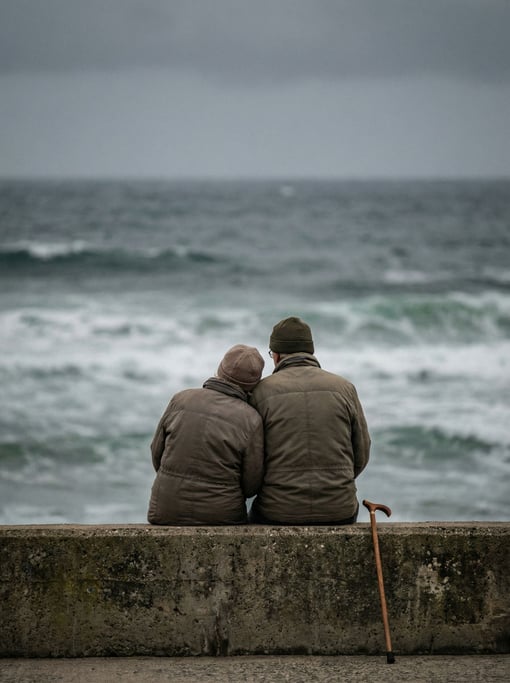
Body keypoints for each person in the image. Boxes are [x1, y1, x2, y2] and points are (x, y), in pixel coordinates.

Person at [249, 316, 370, 525]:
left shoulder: (260, 392)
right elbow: (362, 452)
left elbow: (252, 462)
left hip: (278, 510)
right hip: (339, 509)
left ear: (276, 355)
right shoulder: (344, 388)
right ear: (310, 351)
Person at [148, 344, 265, 525]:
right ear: (252, 385)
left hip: (165, 510)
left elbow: (157, 454)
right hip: (222, 515)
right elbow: (251, 485)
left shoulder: (181, 399)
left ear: (219, 369)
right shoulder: (251, 419)